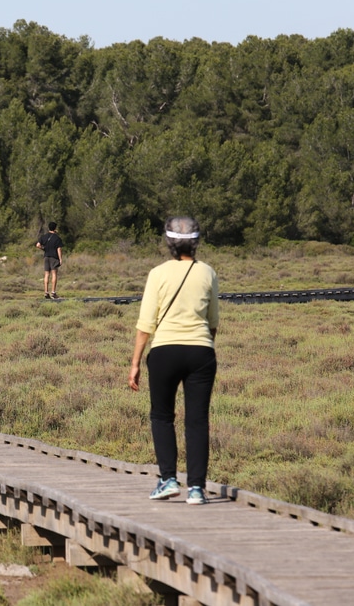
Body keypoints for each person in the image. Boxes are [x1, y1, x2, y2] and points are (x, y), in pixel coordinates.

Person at [128, 216, 219, 506]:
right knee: (197, 420)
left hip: (165, 351)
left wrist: (135, 363)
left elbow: (146, 323)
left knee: (161, 416)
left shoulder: (157, 273)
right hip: (201, 352)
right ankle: (196, 489)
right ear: (196, 241)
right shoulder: (208, 272)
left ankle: (168, 479)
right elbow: (213, 321)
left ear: (168, 242)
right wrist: (202, 347)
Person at [35, 222, 63, 299]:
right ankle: (53, 292)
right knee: (54, 274)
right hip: (54, 257)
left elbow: (37, 245)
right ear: (55, 228)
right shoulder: (57, 238)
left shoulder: (44, 237)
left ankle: (46, 292)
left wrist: (43, 248)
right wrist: (60, 259)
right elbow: (59, 249)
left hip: (46, 257)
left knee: (46, 274)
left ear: (49, 228)